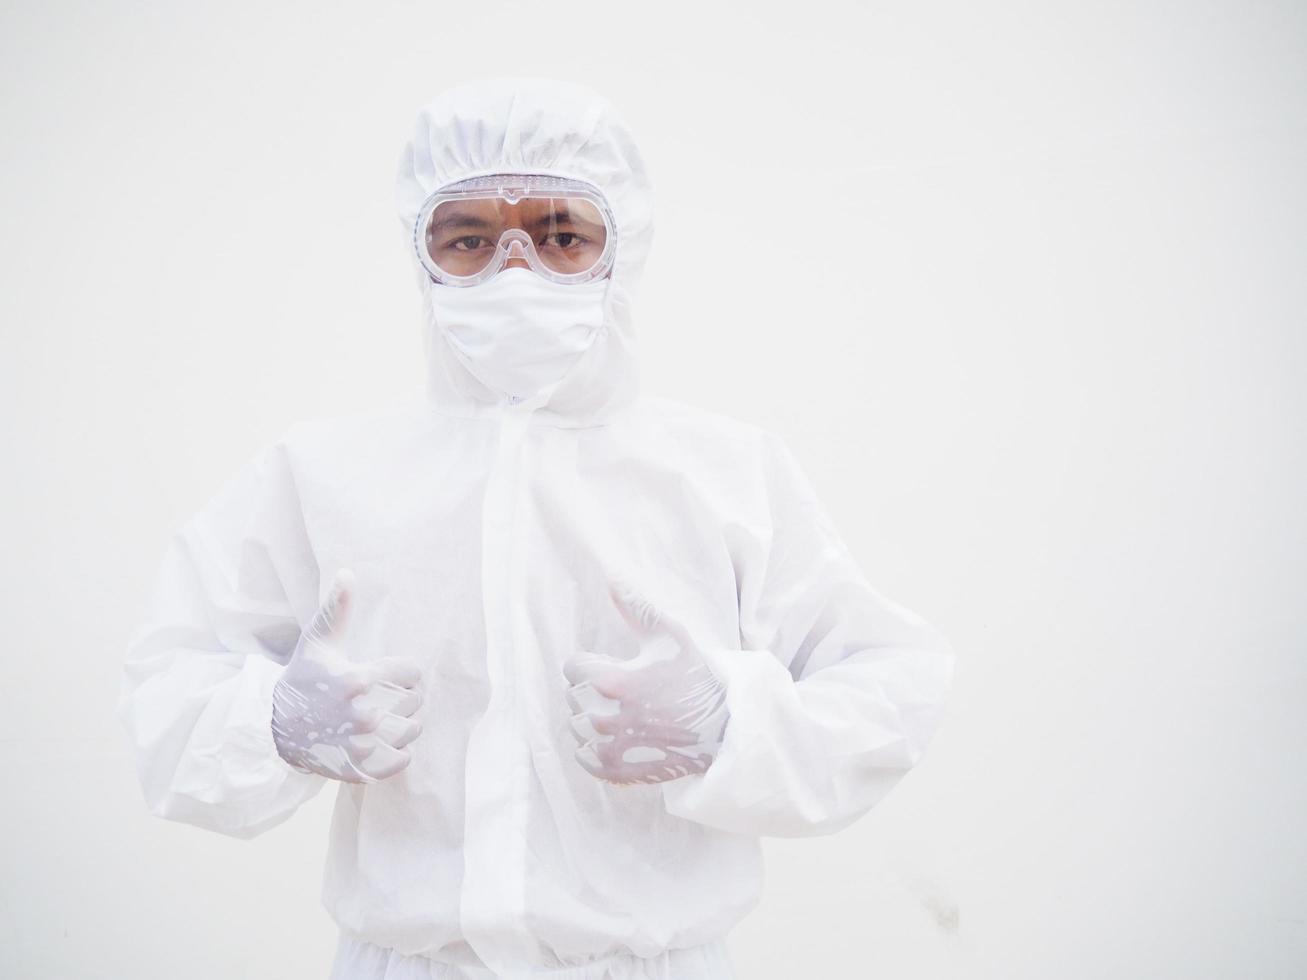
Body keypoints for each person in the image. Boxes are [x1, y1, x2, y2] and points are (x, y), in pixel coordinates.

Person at [116, 76, 957, 980]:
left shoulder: (723, 472)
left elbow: (890, 681)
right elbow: (164, 686)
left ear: (619, 248)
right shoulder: (321, 473)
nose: (514, 267)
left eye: (560, 235)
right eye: (468, 238)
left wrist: (730, 720)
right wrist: (273, 722)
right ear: (421, 255)